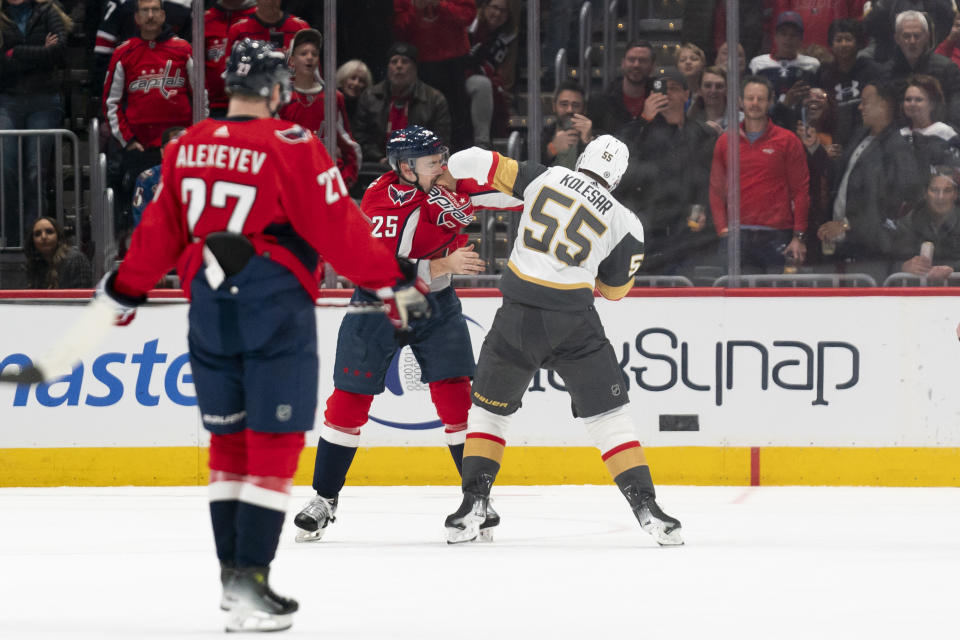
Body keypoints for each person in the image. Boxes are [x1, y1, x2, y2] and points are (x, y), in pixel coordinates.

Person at [91, 39, 430, 631]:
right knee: (272, 447)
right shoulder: (292, 144)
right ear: (276, 90)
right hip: (272, 306)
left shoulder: (187, 145)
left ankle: (233, 582)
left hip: (208, 309)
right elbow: (339, 228)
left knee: (227, 447)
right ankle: (250, 586)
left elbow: (158, 233)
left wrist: (124, 291)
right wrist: (393, 283)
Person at [441, 135, 683, 546]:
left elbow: (477, 159)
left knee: (489, 411)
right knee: (609, 418)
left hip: (517, 312)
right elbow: (614, 292)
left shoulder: (545, 177)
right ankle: (648, 508)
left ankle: (473, 505)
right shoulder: (626, 220)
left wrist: (447, 175)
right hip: (573, 322)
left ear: (583, 158)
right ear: (619, 176)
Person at [293, 125, 500, 543]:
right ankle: (324, 498)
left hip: (437, 304)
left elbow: (508, 193)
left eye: (442, 159)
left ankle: (476, 499)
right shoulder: (379, 198)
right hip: (378, 303)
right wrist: (444, 264)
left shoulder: (449, 183)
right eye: (431, 162)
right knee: (348, 402)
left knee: (456, 396)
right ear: (405, 167)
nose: (441, 167)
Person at [102, 0, 198, 241]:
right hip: (141, 147)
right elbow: (110, 103)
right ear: (137, 17)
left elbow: (200, 95)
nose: (151, 15)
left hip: (181, 146)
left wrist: (195, 136)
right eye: (145, 10)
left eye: (155, 10)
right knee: (142, 208)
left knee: (184, 205)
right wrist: (128, 141)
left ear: (164, 15)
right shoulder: (124, 52)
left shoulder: (184, 49)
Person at [616, 68, 718, 275]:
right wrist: (643, 119)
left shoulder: (703, 134)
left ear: (687, 94)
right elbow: (618, 155)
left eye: (673, 88)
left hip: (687, 235)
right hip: (649, 230)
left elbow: (707, 180)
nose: (667, 94)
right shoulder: (641, 131)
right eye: (660, 90)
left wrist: (699, 210)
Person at [822, 80, 924, 281]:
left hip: (873, 250)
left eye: (866, 101)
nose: (860, 107)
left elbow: (894, 204)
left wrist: (847, 225)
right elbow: (841, 176)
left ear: (884, 105)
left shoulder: (897, 146)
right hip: (846, 245)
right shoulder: (860, 133)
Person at [709, 75, 810, 273]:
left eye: (760, 99)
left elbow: (800, 191)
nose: (754, 103)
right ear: (740, 102)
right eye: (750, 98)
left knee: (776, 302)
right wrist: (722, 229)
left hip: (777, 237)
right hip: (736, 237)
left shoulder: (788, 141)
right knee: (734, 303)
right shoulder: (725, 141)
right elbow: (716, 189)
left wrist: (798, 237)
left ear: (770, 102)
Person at [0, 0, 70, 244]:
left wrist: (15, 51)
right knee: (5, 171)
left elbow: (58, 52)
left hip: (44, 100)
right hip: (8, 100)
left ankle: (35, 242)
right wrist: (40, 52)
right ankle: (11, 237)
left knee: (34, 172)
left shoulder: (49, 10)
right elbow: (1, 64)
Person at [278, 29, 360, 188]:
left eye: (314, 54)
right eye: (303, 53)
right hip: (289, 179)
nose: (309, 57)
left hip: (324, 178)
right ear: (292, 61)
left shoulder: (333, 97)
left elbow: (349, 146)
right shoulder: (281, 97)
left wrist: (344, 181)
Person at [393, 0, 476, 150]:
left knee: (457, 115)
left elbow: (467, 16)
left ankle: (460, 158)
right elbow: (399, 28)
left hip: (453, 59)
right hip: (420, 59)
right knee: (421, 112)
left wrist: (440, 4)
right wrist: (416, 9)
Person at [352, 42, 452, 165]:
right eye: (394, 62)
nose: (399, 66)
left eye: (405, 61)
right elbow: (360, 136)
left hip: (418, 167)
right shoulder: (369, 96)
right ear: (388, 68)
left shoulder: (435, 99)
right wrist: (379, 158)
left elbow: (439, 141)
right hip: (376, 165)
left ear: (415, 68)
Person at [92, 0, 192, 93]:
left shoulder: (188, 5)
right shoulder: (122, 4)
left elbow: (193, 55)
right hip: (131, 84)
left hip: (174, 87)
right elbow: (103, 50)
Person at [881, 11, 960, 128]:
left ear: (927, 37)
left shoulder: (947, 68)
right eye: (906, 36)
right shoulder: (886, 72)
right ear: (897, 39)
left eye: (917, 36)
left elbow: (956, 115)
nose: (912, 41)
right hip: (898, 138)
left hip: (939, 136)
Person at [816, 18, 882, 149]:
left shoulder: (872, 70)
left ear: (858, 43)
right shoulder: (823, 74)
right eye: (838, 40)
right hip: (834, 142)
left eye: (848, 39)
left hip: (868, 141)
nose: (843, 44)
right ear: (831, 44)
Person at [465, 0, 517, 146]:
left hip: (481, 76)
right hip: (459, 76)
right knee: (486, 85)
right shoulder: (471, 25)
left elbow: (495, 67)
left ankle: (484, 143)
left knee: (494, 88)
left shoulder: (507, 35)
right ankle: (482, 143)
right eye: (495, 8)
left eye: (503, 11)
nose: (498, 14)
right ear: (484, 7)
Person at [894, 166, 960, 279]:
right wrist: (903, 266)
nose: (940, 197)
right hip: (917, 295)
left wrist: (954, 270)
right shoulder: (908, 223)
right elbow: (887, 262)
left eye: (947, 190)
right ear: (925, 193)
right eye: (934, 190)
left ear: (956, 194)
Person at [749, 11, 820, 109]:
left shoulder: (812, 65)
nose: (788, 39)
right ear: (775, 37)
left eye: (793, 35)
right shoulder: (758, 64)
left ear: (801, 38)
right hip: (768, 120)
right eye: (783, 34)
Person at [587, 41, 655, 138]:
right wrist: (644, 119)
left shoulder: (659, 100)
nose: (636, 65)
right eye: (631, 59)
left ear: (652, 66)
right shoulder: (601, 102)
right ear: (623, 63)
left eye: (643, 61)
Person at [203, 0, 257, 118]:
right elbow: (197, 65)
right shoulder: (205, 19)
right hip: (213, 106)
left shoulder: (258, 17)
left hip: (250, 104)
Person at [899, 74, 960, 169]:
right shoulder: (900, 135)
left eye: (918, 100)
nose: (912, 104)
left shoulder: (944, 133)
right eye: (908, 99)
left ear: (932, 104)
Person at [131, 126, 185, 230]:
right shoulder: (147, 179)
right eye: (174, 147)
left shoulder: (198, 176)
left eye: (183, 147)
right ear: (162, 152)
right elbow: (140, 221)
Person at [23, 216, 92, 289]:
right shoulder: (37, 264)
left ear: (59, 237)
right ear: (32, 241)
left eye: (49, 232)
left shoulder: (76, 259)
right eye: (37, 234)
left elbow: (81, 297)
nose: (43, 237)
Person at [226, 0, 309, 57]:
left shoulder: (300, 28)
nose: (269, 2)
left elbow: (313, 75)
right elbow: (229, 76)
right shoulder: (238, 31)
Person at [542, 80, 592, 168]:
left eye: (576, 105)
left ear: (584, 109)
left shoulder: (597, 137)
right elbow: (526, 171)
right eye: (564, 104)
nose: (570, 110)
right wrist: (552, 149)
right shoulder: (540, 135)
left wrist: (588, 142)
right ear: (554, 107)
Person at [687, 65, 736, 134]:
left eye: (719, 86)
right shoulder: (689, 121)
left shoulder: (740, 121)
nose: (713, 90)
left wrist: (722, 138)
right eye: (708, 86)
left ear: (727, 90)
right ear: (699, 90)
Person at [336, 59, 373, 125]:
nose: (356, 83)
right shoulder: (331, 104)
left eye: (361, 81)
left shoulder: (368, 110)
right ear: (343, 79)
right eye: (353, 78)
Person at [675, 43, 706, 111]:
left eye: (694, 59)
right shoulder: (675, 95)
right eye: (682, 60)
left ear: (703, 64)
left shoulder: (709, 91)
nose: (688, 62)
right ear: (677, 67)